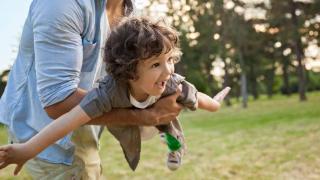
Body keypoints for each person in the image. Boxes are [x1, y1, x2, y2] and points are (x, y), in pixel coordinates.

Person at [0, 17, 231, 176]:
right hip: (132, 120)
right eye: (155, 64)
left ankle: (175, 147)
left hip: (158, 113)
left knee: (169, 127)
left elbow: (200, 98)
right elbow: (67, 121)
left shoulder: (172, 84)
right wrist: (28, 150)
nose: (169, 70)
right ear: (129, 69)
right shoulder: (107, 93)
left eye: (170, 59)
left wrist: (216, 104)